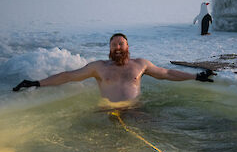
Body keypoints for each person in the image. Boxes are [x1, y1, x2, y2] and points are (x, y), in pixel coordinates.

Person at [13, 33, 216, 107]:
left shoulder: (141, 64)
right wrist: (36, 83)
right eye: (114, 45)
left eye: (121, 44)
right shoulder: (98, 67)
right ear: (109, 49)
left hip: (136, 110)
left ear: (128, 47)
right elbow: (68, 76)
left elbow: (167, 74)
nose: (118, 47)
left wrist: (196, 76)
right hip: (107, 111)